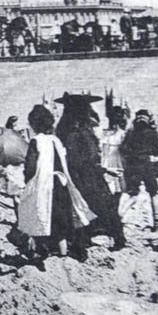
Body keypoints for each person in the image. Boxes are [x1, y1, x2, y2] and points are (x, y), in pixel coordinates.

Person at [16, 104, 95, 267]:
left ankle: (51, 255)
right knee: (61, 221)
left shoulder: (36, 141)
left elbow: (30, 168)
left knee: (43, 217)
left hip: (46, 187)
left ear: (34, 124)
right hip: (61, 184)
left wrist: (28, 181)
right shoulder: (55, 140)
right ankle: (63, 255)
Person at [55, 92, 126, 251]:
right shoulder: (79, 132)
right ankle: (112, 239)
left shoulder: (66, 129)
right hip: (86, 176)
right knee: (100, 206)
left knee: (83, 208)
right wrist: (103, 169)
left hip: (79, 175)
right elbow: (85, 158)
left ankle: (87, 240)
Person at [119, 110, 158, 228]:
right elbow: (155, 151)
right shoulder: (153, 133)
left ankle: (119, 215)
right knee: (153, 192)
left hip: (132, 164)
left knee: (132, 193)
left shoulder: (131, 133)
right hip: (146, 164)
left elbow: (123, 149)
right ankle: (157, 221)